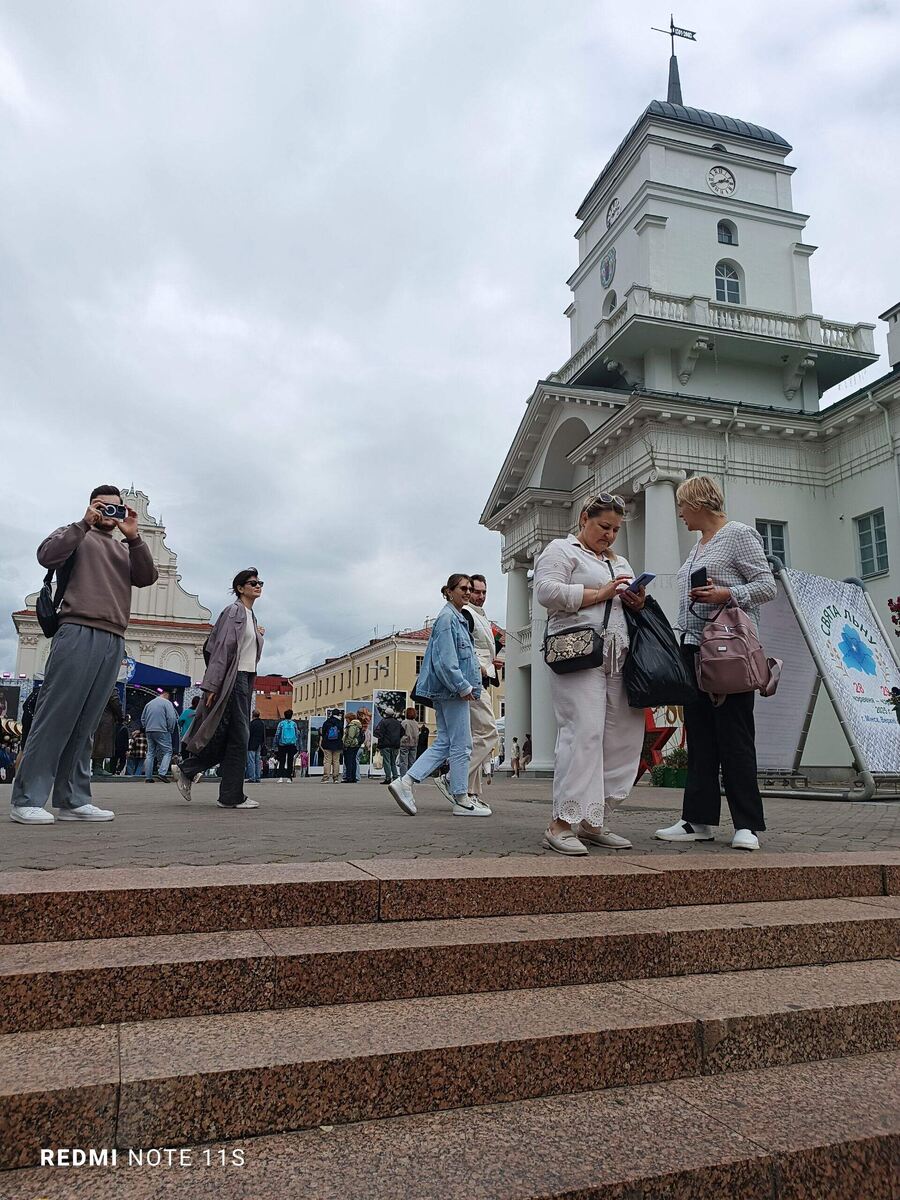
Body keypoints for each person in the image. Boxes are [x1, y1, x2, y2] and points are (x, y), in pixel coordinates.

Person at [10, 486, 158, 825]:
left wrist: (134, 537)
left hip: (114, 636)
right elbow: (47, 556)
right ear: (91, 506)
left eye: (116, 508)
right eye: (102, 506)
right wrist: (83, 523)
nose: (109, 513)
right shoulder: (76, 533)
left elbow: (147, 577)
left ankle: (73, 800)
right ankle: (27, 799)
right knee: (55, 716)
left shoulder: (124, 548)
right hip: (77, 628)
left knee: (87, 723)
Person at [656, 475, 777, 852]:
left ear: (697, 503)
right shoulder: (698, 545)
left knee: (735, 736)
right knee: (701, 737)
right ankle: (698, 820)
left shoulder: (738, 534)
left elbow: (767, 586)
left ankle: (747, 824)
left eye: (682, 505)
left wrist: (727, 593)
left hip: (729, 651)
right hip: (694, 649)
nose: (679, 514)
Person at [534, 492, 646, 856]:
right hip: (578, 652)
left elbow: (624, 603)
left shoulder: (620, 560)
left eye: (615, 529)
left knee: (623, 736)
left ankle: (594, 819)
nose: (609, 535)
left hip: (619, 655)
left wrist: (637, 600)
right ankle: (561, 822)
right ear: (584, 518)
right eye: (603, 526)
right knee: (582, 732)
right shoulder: (561, 550)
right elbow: (546, 591)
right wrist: (600, 593)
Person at [389, 574, 486, 817]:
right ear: (449, 591)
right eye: (463, 588)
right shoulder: (448, 619)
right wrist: (463, 687)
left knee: (445, 742)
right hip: (452, 691)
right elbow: (446, 660)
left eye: (469, 588)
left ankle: (406, 782)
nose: (468, 592)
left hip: (449, 690)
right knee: (462, 745)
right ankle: (461, 798)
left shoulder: (455, 618)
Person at [171, 569, 264, 810]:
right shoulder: (234, 611)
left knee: (233, 738)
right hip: (234, 680)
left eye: (260, 583)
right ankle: (227, 794)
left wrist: (258, 635)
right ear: (240, 588)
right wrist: (212, 685)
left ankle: (199, 776)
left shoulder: (250, 616)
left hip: (244, 680)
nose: (258, 586)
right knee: (238, 738)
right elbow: (221, 648)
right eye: (252, 583)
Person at [462, 573, 503, 815]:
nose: (481, 596)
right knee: (488, 732)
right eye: (477, 591)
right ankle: (455, 779)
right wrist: (483, 668)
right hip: (473, 682)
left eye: (484, 592)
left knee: (477, 737)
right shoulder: (467, 614)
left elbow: (481, 649)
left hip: (480, 680)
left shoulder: (480, 616)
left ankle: (471, 792)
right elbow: (466, 649)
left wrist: (491, 663)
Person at [141, 687, 177, 782]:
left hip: (149, 730)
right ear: (167, 694)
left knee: (150, 753)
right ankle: (162, 773)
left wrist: (146, 727)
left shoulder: (149, 704)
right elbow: (171, 718)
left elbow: (143, 718)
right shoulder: (167, 703)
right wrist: (170, 729)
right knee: (167, 751)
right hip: (162, 730)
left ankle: (148, 777)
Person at [91, 688, 123, 777]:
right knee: (101, 743)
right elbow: (116, 703)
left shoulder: (94, 686)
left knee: (95, 743)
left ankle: (95, 766)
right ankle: (98, 767)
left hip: (92, 718)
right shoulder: (110, 686)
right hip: (105, 720)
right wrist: (121, 717)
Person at [374, 709, 403, 784]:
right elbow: (403, 732)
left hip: (386, 745)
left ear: (386, 714)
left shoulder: (383, 722)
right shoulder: (397, 722)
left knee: (387, 762)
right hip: (395, 745)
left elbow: (378, 733)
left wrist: (379, 744)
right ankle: (395, 777)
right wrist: (397, 738)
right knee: (393, 762)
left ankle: (388, 778)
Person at [274, 709, 299, 783]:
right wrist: (295, 741)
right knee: (290, 760)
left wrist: (277, 742)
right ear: (291, 715)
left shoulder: (281, 723)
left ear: (284, 715)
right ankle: (289, 777)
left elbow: (277, 734)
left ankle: (280, 777)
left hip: (282, 744)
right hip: (291, 744)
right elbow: (297, 734)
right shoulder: (294, 724)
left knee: (282, 760)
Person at [320, 709, 344, 783]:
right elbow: (342, 734)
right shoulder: (340, 723)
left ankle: (326, 778)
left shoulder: (327, 722)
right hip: (337, 745)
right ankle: (335, 778)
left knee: (327, 761)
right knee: (336, 761)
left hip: (327, 744)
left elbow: (323, 733)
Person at [397, 708, 420, 777]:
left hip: (405, 743)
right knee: (412, 761)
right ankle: (410, 777)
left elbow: (400, 733)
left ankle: (403, 777)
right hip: (414, 743)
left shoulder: (404, 722)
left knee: (403, 762)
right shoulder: (416, 723)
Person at [342, 713, 363, 782]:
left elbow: (350, 737)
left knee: (349, 762)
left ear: (350, 718)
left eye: (347, 719)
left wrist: (346, 745)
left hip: (351, 746)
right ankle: (353, 777)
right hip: (355, 745)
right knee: (353, 761)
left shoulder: (352, 726)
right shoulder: (357, 725)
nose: (346, 720)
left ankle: (349, 777)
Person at [246, 709, 266, 783]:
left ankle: (252, 777)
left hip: (251, 744)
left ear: (252, 715)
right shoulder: (262, 723)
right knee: (257, 761)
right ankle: (258, 777)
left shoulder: (251, 724)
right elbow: (264, 734)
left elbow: (248, 734)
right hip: (259, 744)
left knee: (251, 761)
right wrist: (263, 743)